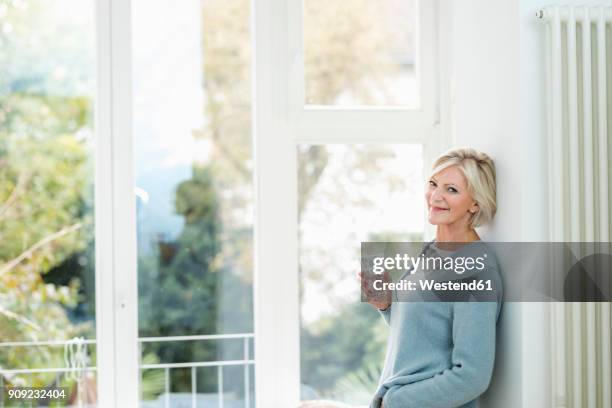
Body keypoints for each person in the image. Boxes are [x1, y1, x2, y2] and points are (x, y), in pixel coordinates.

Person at [361, 147, 503, 408]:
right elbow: (422, 334)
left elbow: (472, 376)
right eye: (433, 184)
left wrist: (394, 402)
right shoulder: (430, 251)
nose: (436, 196)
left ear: (475, 203)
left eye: (451, 190)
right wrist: (386, 305)